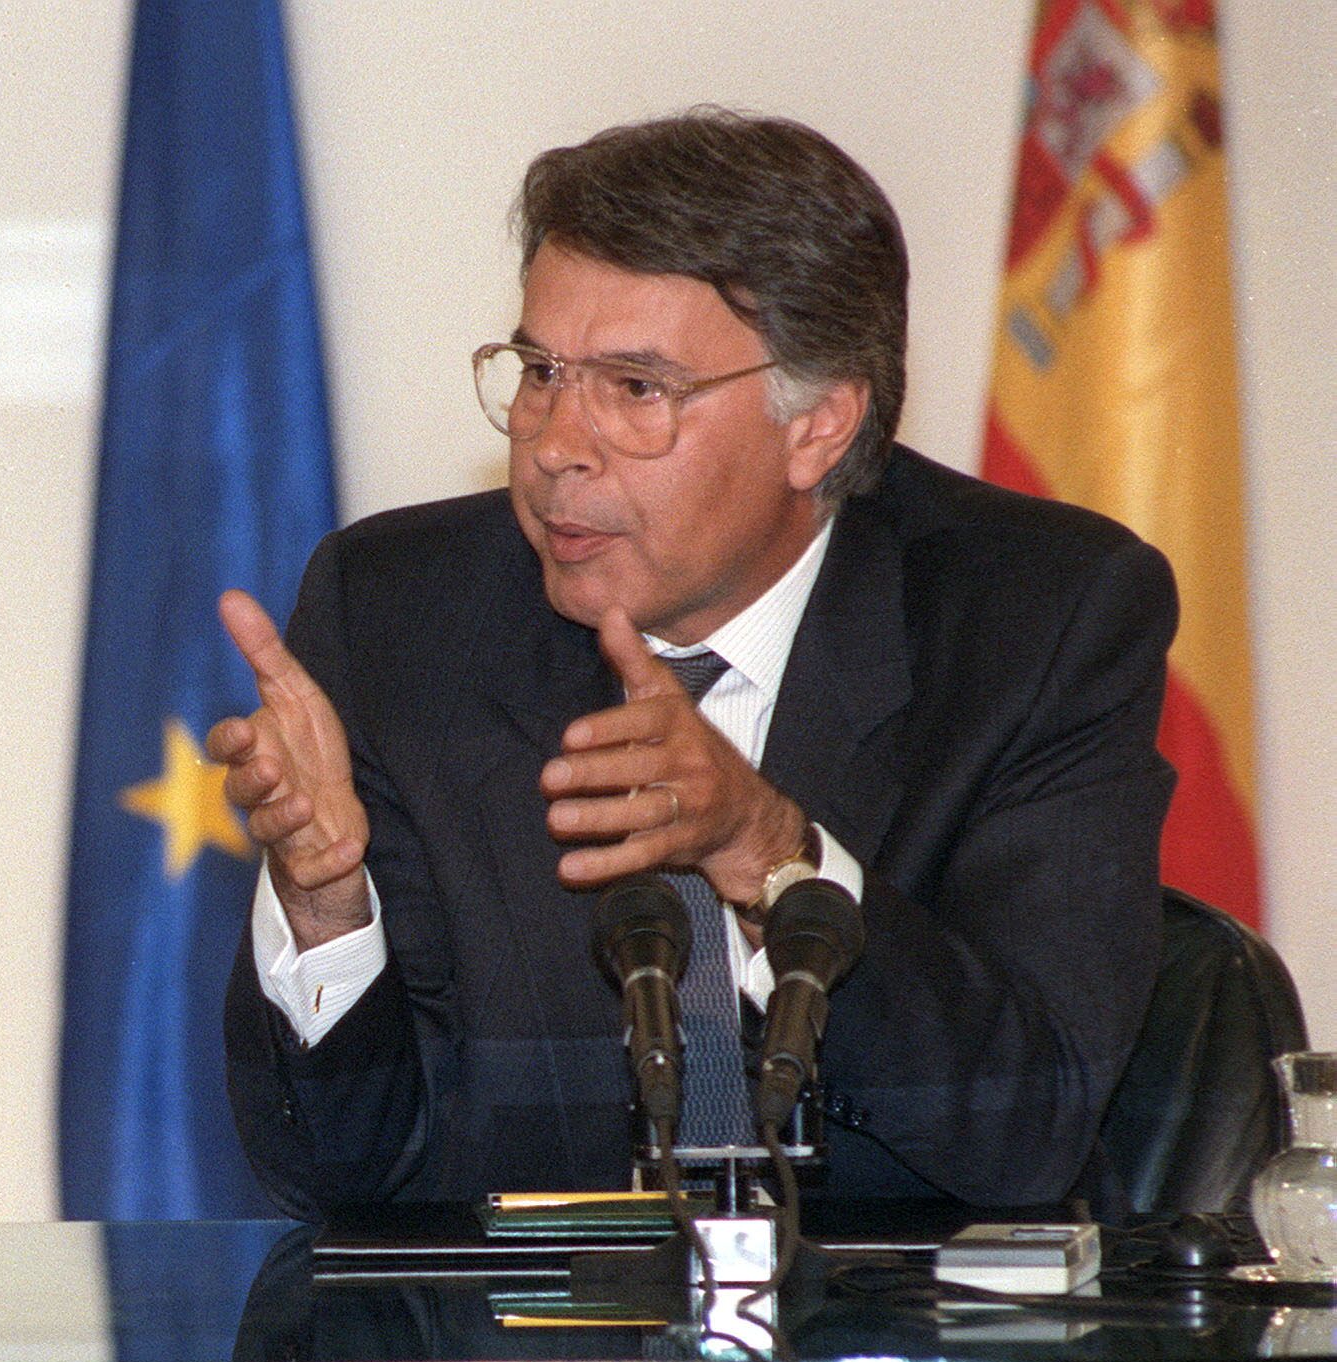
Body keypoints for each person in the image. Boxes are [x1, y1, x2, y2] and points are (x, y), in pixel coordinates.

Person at [211, 109, 1176, 1214]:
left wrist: (765, 848)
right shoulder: (397, 615)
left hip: (896, 1357)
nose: (556, 443)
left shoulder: (1038, 619)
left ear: (816, 425)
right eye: (538, 370)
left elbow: (1028, 1130)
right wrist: (327, 899)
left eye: (634, 389)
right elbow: (340, 1175)